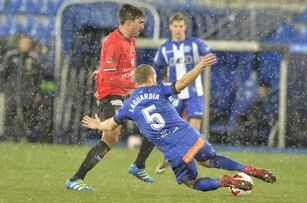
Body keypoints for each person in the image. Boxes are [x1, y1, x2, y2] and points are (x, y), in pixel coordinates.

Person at [82, 53, 276, 192]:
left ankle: (224, 181)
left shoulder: (129, 105)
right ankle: (246, 169)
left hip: (175, 152)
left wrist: (98, 125)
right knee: (211, 159)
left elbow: (110, 125)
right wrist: (199, 66)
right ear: (151, 78)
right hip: (191, 136)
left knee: (194, 182)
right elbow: (182, 83)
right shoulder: (159, 89)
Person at [65, 4, 153, 191]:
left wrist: (103, 71)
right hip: (110, 94)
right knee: (112, 136)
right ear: (129, 22)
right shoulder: (113, 42)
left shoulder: (130, 40)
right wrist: (135, 85)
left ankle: (139, 165)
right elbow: (111, 77)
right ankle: (75, 179)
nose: (142, 26)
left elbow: (115, 69)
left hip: (123, 93)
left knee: (149, 122)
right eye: (140, 22)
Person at [129, 12, 212, 175]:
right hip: (174, 93)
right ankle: (170, 156)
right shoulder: (165, 48)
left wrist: (205, 58)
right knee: (164, 127)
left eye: (181, 26)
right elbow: (156, 70)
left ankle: (179, 158)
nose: (178, 29)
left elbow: (208, 55)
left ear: (185, 27)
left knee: (195, 126)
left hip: (195, 91)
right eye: (175, 26)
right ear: (170, 27)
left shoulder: (196, 44)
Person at [0, 34, 43, 143]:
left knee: (27, 116)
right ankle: (7, 136)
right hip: (11, 92)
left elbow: (38, 78)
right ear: (19, 43)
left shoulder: (33, 58)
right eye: (24, 42)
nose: (25, 45)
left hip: (27, 93)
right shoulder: (11, 55)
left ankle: (25, 137)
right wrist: (3, 88)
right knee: (9, 114)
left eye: (28, 43)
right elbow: (3, 73)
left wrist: (37, 93)